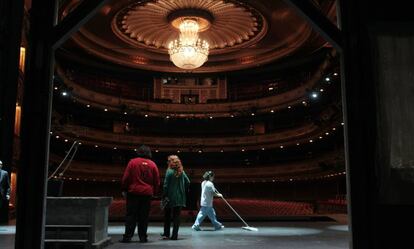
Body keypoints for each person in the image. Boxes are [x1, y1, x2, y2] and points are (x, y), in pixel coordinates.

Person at [119, 145, 160, 243]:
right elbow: (157, 181)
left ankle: (127, 237)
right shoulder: (153, 164)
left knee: (131, 216)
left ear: (139, 152)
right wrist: (155, 192)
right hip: (146, 194)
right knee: (144, 217)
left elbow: (126, 177)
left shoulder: (132, 162)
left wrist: (124, 189)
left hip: (133, 192)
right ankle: (143, 237)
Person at [161, 155, 190, 240]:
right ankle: (174, 236)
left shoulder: (169, 171)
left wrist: (164, 195)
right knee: (176, 217)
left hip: (170, 197)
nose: (167, 162)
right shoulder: (182, 171)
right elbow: (188, 182)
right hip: (180, 197)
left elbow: (165, 186)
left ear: (171, 162)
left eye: (168, 161)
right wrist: (182, 189)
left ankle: (166, 234)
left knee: (167, 216)